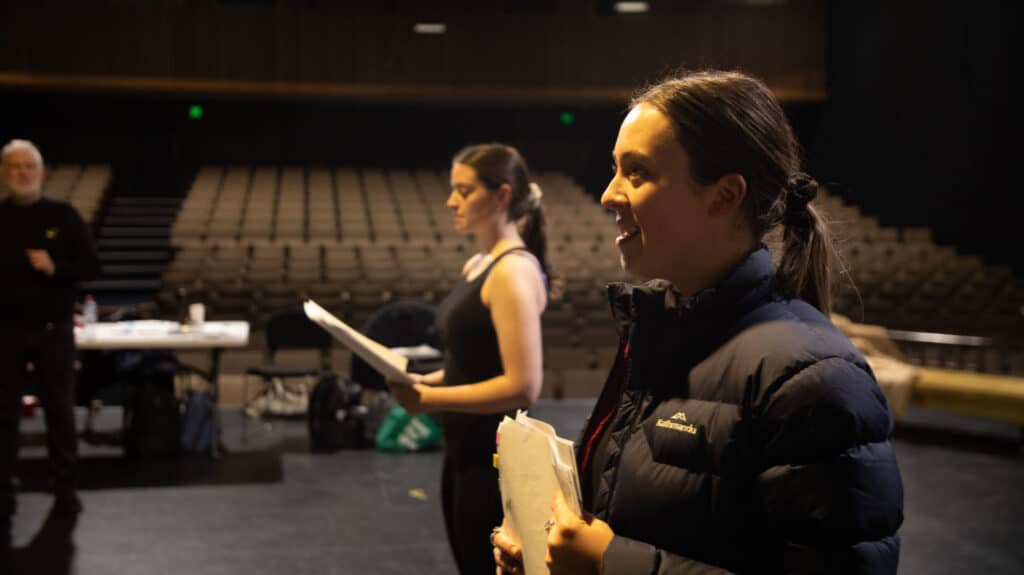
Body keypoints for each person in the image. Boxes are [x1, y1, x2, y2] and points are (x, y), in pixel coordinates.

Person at [493, 70, 904, 574]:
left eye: (637, 172)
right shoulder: (662, 336)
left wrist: (609, 564)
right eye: (614, 169)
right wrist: (552, 552)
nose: (608, 195)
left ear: (725, 195)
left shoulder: (816, 380)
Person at [388, 143, 550, 574]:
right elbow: (473, 365)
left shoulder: (513, 272)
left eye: (463, 190)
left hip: (492, 458)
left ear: (500, 196)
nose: (451, 201)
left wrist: (430, 400)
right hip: (463, 449)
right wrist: (428, 382)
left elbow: (522, 385)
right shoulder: (481, 264)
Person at [0, 139, 100, 551]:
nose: (22, 173)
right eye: (14, 167)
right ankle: (3, 487)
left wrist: (56, 267)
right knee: (2, 416)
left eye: (29, 167)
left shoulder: (63, 216)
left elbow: (91, 267)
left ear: (41, 172)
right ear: (5, 173)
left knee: (59, 412)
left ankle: (66, 488)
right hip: (4, 334)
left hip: (52, 331)